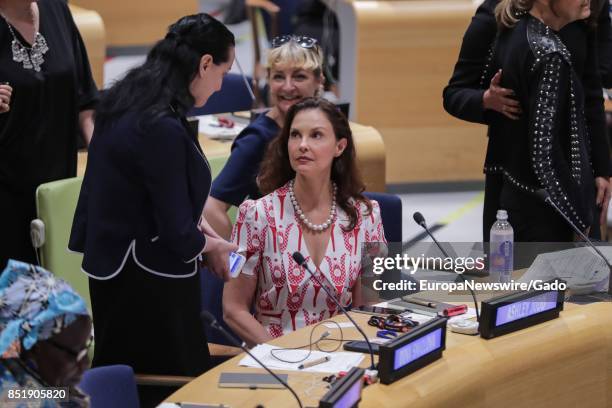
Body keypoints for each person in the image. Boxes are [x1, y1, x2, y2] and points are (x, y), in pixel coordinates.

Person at [68, 13, 237, 406]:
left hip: (117, 267)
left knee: (122, 374)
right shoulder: (159, 122)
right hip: (147, 278)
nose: (220, 85)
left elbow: (151, 194)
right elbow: (176, 231)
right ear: (205, 64)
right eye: (222, 73)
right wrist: (211, 247)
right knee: (170, 383)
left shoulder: (129, 98)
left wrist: (203, 234)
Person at [443, 0, 611, 241]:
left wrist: (602, 169)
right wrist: (486, 100)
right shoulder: (501, 13)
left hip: (573, 168)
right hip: (513, 168)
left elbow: (592, 93)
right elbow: (453, 93)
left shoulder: (584, 9)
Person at [222, 98, 385, 347]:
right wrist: (281, 355)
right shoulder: (257, 215)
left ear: (339, 146)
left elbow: (369, 307)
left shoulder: (366, 216)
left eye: (316, 135)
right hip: (273, 359)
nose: (302, 145)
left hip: (339, 356)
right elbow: (233, 309)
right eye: (295, 135)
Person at [0, 0, 98, 268]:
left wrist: (102, 154)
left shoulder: (56, 8)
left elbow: (86, 100)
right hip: (6, 199)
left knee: (57, 291)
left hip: (58, 189)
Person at [204, 35, 325, 239]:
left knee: (380, 259)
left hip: (331, 245)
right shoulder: (258, 138)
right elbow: (210, 208)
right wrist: (236, 263)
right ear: (268, 80)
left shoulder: (329, 125)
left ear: (319, 80)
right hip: (282, 260)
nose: (287, 87)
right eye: (278, 77)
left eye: (299, 77)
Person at [0, 259, 92, 407]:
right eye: (73, 353)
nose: (85, 363)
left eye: (85, 347)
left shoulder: (29, 388)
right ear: (34, 347)